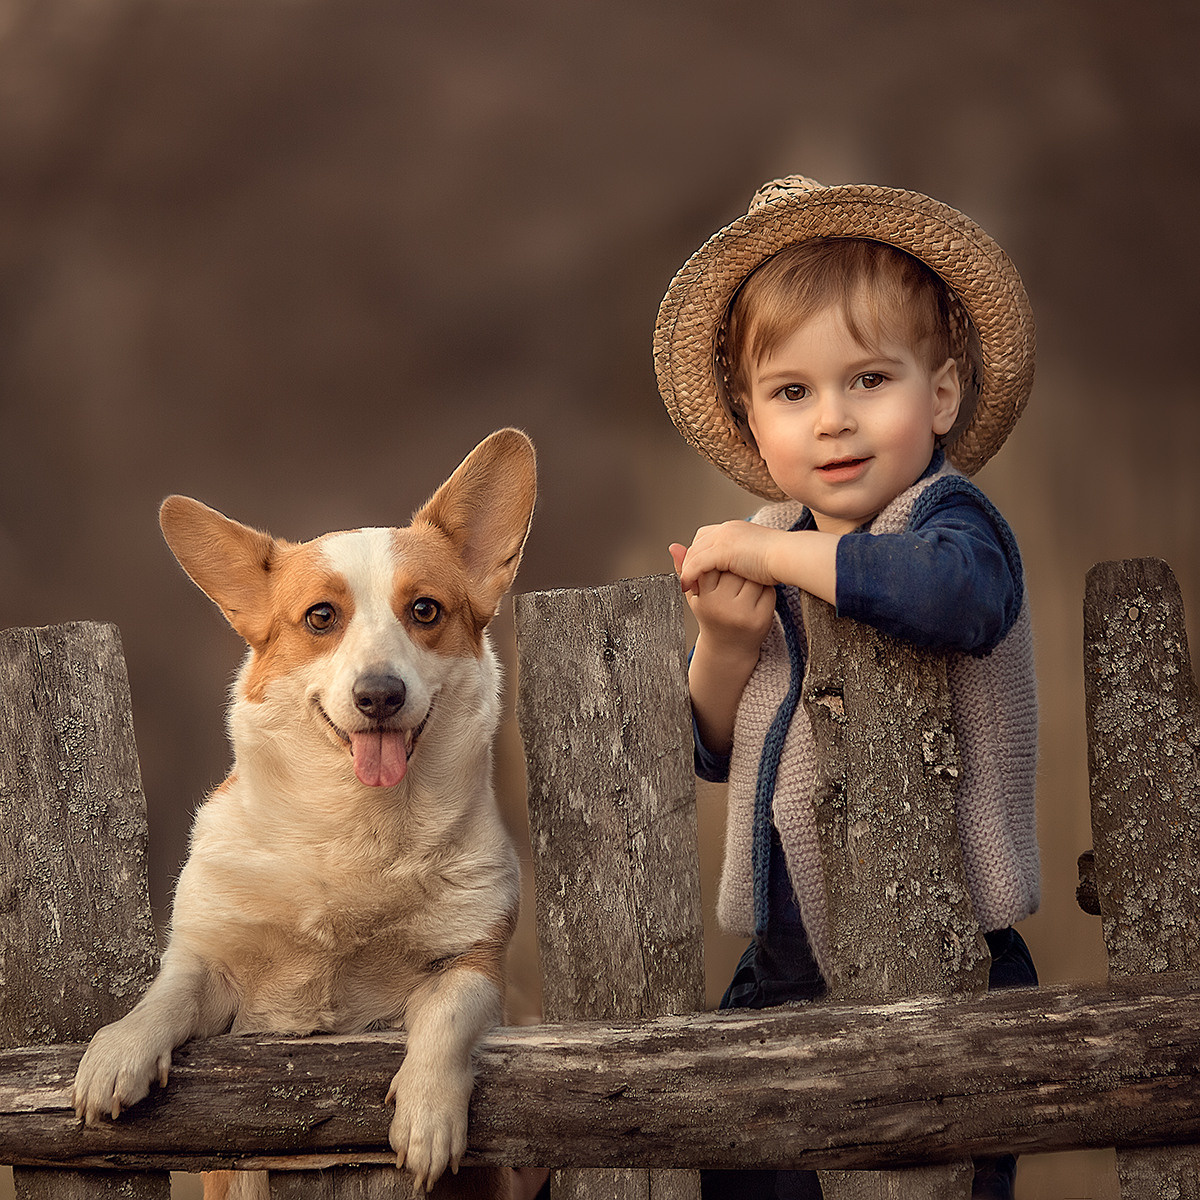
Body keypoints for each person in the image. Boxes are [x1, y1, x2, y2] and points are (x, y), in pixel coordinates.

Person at [654, 177, 1041, 1200]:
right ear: (752, 420)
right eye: (793, 392)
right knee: (736, 1171)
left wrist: (774, 562)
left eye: (870, 379)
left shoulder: (949, 521)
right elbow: (710, 750)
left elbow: (956, 600)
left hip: (946, 948)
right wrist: (726, 645)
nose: (833, 420)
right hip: (785, 959)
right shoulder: (771, 540)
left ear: (940, 395)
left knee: (936, 1174)